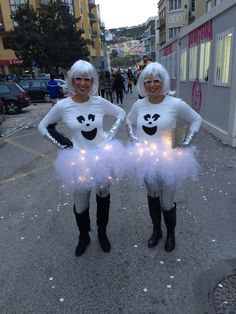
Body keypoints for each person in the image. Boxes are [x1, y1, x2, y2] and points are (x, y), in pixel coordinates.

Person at [38, 60, 126, 257]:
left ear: (92, 81)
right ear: (72, 80)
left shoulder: (99, 102)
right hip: (79, 161)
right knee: (80, 204)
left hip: (103, 158)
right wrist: (64, 145)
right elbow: (42, 127)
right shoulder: (63, 106)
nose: (83, 83)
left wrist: (110, 135)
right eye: (78, 78)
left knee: (103, 198)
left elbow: (121, 113)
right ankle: (84, 237)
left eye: (87, 79)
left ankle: (102, 234)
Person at [126, 62, 202, 252]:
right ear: (142, 83)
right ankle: (156, 231)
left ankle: (170, 234)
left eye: (156, 81)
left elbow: (196, 119)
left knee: (167, 201)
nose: (152, 85)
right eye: (147, 81)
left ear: (164, 82)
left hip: (169, 160)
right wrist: (133, 137)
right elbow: (129, 120)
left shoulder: (175, 104)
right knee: (152, 196)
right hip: (146, 159)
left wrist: (186, 140)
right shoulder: (138, 105)